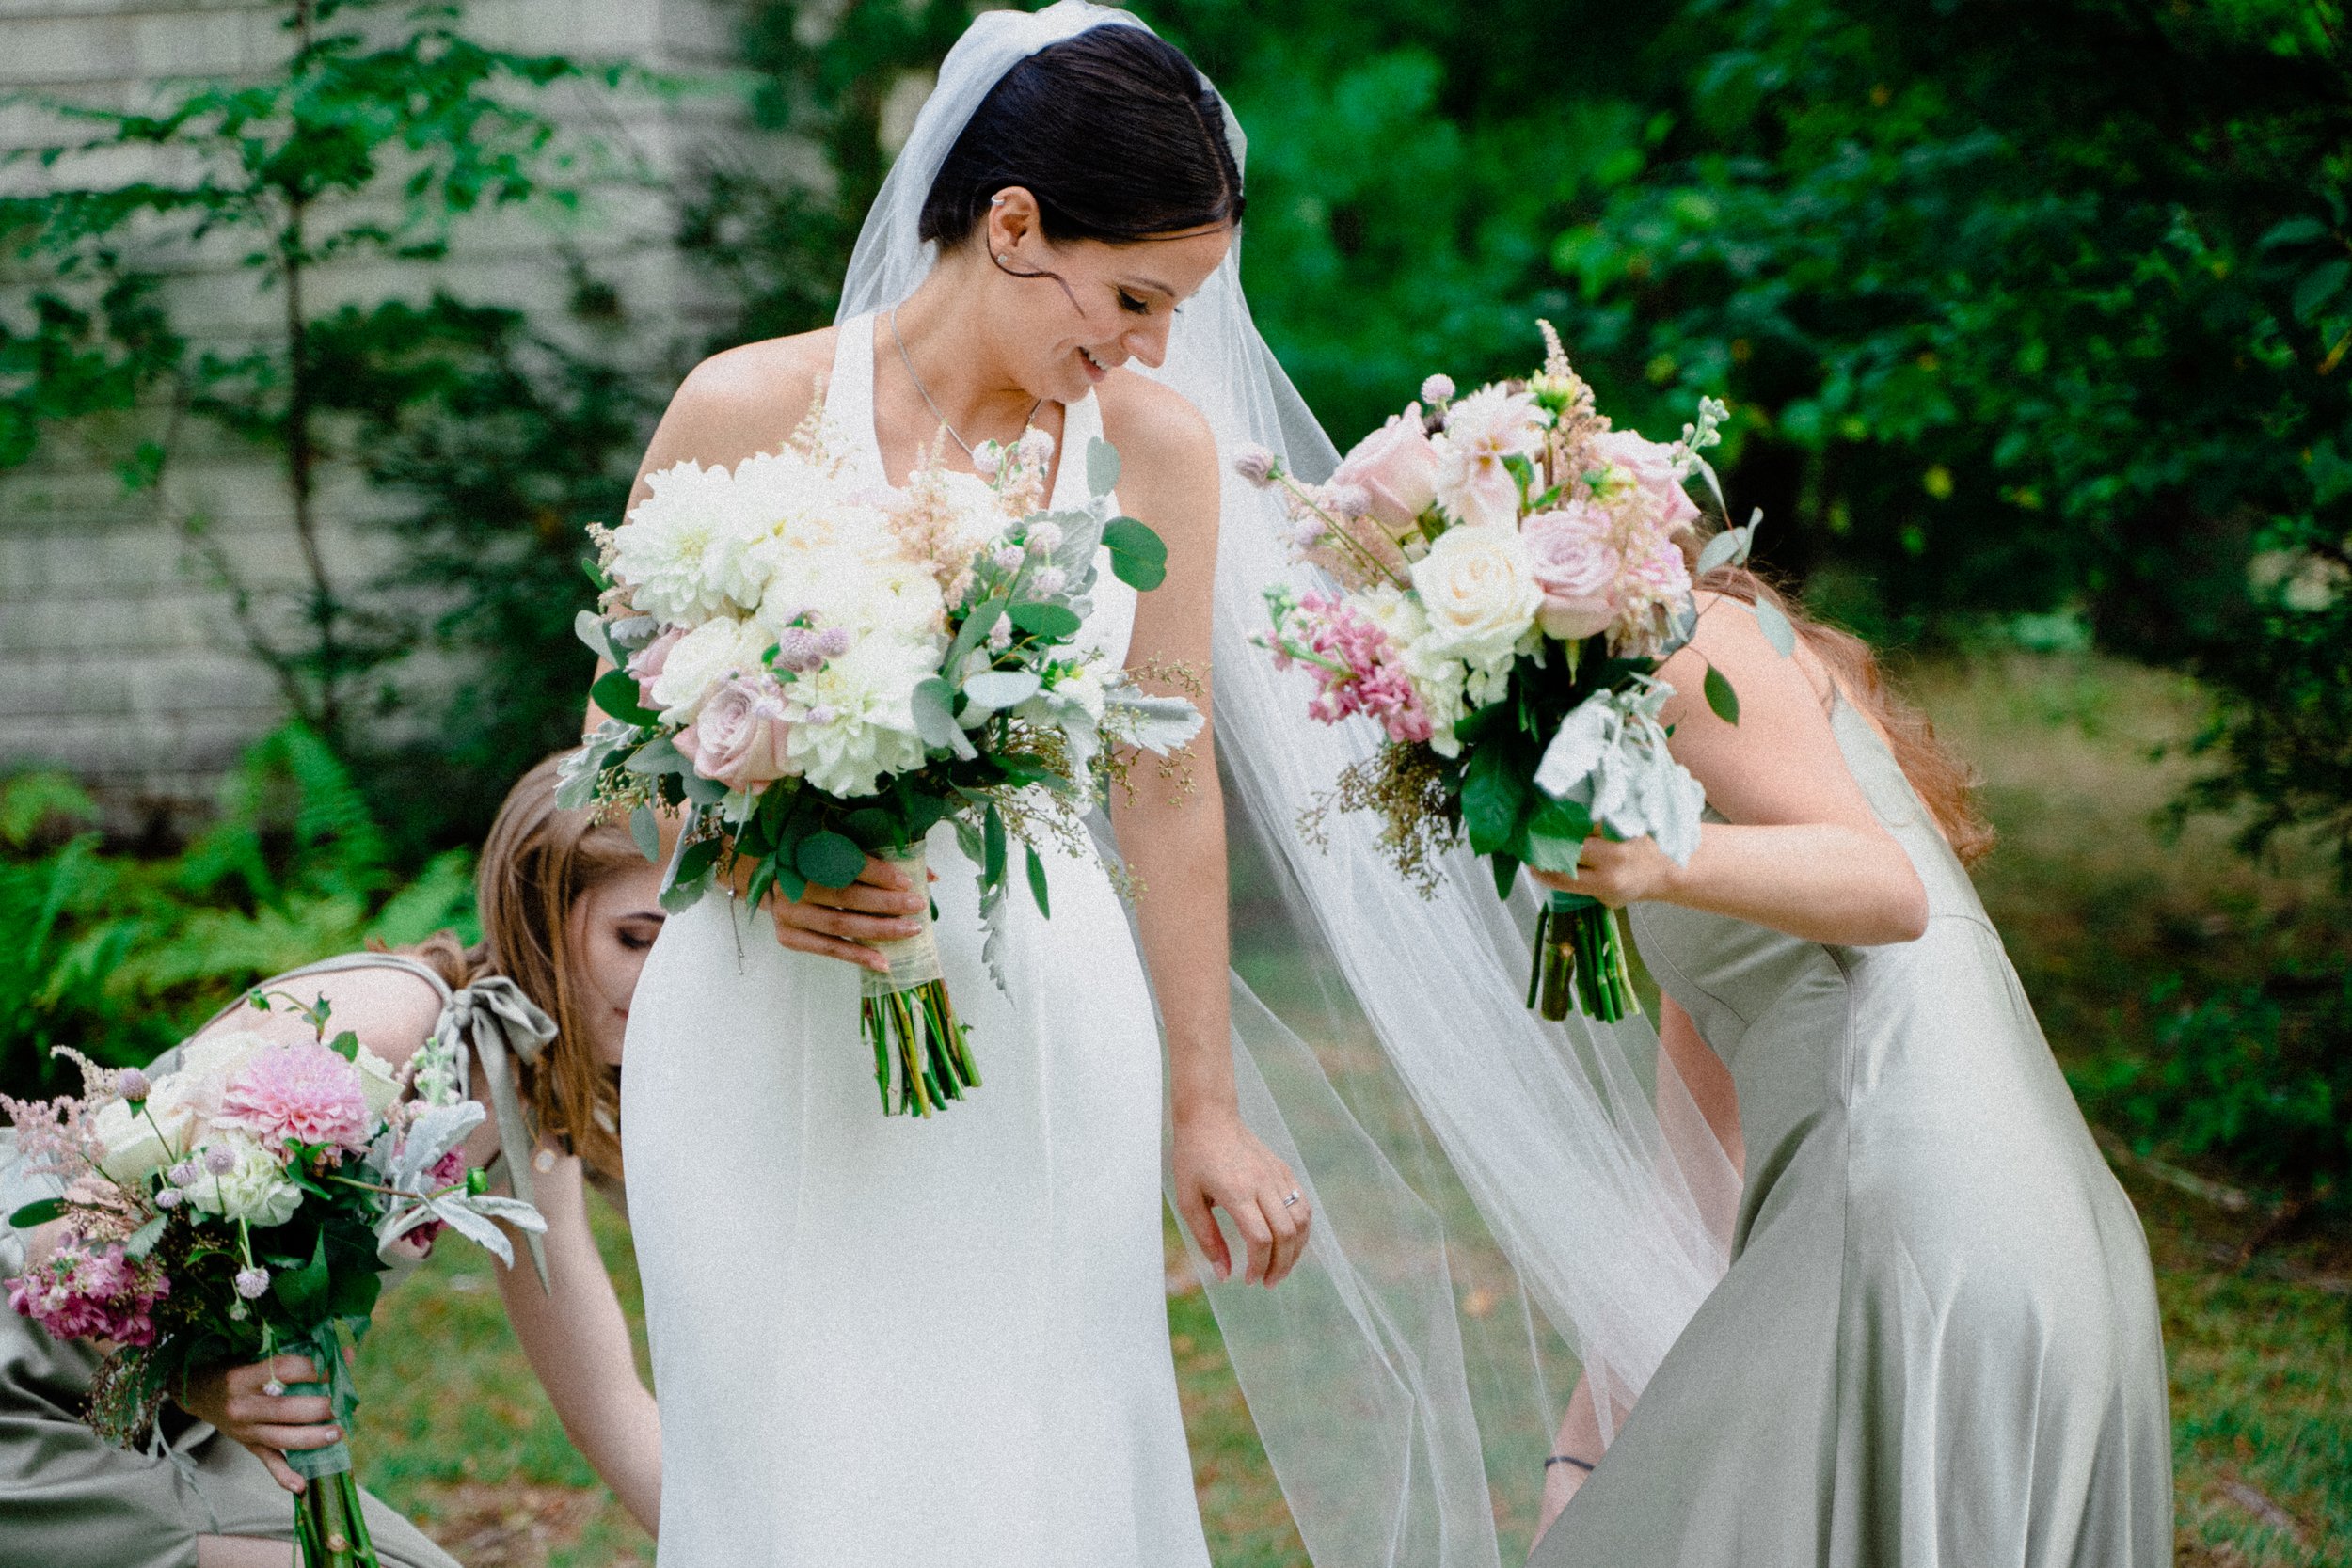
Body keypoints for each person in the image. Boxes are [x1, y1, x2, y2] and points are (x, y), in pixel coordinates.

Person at [612, 8, 1311, 1564]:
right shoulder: (743, 409)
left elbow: (1167, 778)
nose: (1151, 346)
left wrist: (1208, 1107)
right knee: (788, 1472)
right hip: (761, 1021)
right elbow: (628, 734)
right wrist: (756, 858)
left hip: (1031, 1016)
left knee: (1030, 1461)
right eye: (1135, 298)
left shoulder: (1157, 455)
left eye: (1178, 310)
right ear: (1013, 226)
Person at [1520, 567, 2172, 1564]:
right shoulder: (1702, 815)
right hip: (2032, 1237)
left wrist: (1658, 861)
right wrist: (1576, 1460)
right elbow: (1693, 1196)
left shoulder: (1695, 640)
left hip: (1916, 1231)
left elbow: (1888, 887)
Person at [0, 754, 666, 1568]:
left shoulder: (525, 1117)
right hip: (29, 1378)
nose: (662, 980)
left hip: (163, 1420)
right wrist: (194, 1381)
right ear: (537, 913)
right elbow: (63, 1242)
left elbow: (607, 1403)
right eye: (635, 938)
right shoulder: (387, 1022)